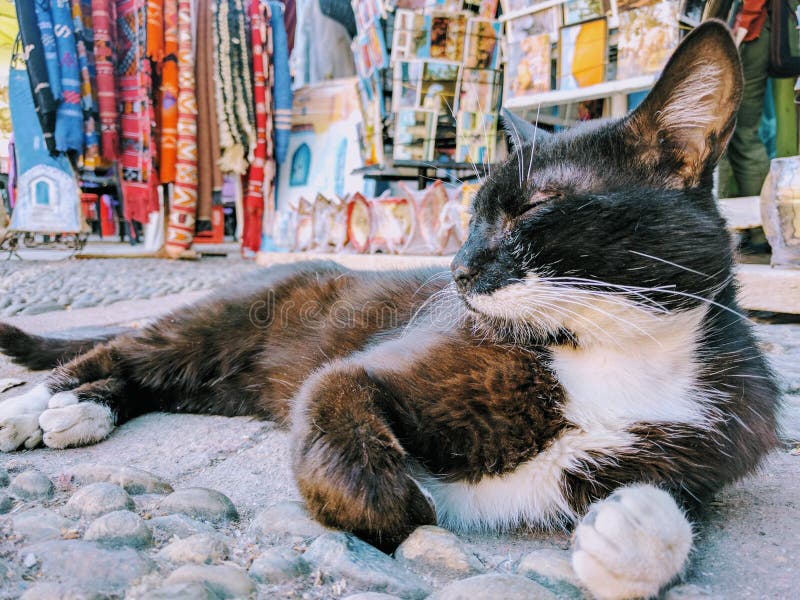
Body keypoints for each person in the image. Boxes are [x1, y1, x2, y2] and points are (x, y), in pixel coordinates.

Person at [723, 0, 771, 197]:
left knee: (733, 136)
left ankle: (761, 223)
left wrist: (742, 25)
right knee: (739, 136)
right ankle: (761, 223)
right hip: (740, 31)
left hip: (743, 34)